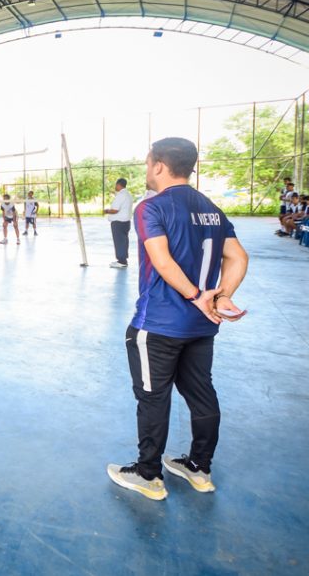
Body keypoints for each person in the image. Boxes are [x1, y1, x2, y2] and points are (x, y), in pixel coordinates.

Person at [107, 137, 249, 502]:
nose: (145, 169)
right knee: (202, 394)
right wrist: (221, 296)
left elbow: (163, 261)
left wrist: (197, 296)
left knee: (153, 398)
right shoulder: (211, 208)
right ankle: (199, 468)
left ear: (157, 165)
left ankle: (148, 474)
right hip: (202, 326)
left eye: (146, 162)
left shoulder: (151, 207)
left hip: (159, 324)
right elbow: (238, 258)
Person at [105, 178, 134, 268]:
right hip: (126, 222)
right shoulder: (128, 194)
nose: (115, 187)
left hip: (119, 222)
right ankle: (123, 260)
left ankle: (121, 261)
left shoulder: (121, 195)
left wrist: (106, 211)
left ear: (118, 185)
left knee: (119, 241)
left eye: (115, 185)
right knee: (124, 241)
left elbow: (115, 210)